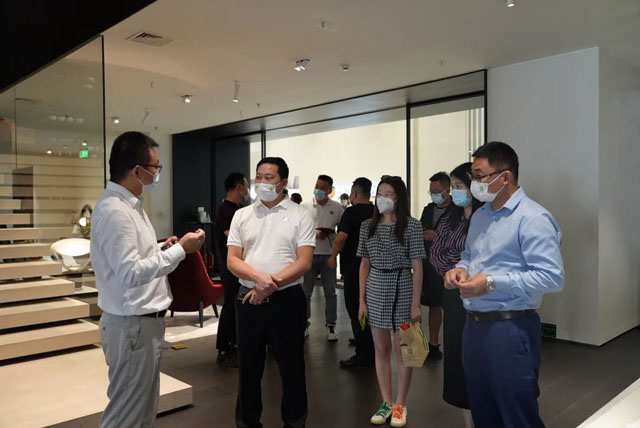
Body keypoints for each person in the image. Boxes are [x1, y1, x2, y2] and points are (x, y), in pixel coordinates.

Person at [445, 142, 564, 428]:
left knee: (517, 414)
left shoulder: (533, 218)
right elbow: (469, 254)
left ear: (505, 177)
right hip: (473, 326)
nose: (475, 184)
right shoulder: (481, 216)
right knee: (482, 410)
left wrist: (489, 283)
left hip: (510, 328)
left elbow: (551, 276)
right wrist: (460, 269)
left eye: (479, 176)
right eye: (473, 177)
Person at [91, 131, 205, 428]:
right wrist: (180, 250)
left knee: (141, 411)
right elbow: (130, 273)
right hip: (132, 324)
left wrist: (163, 248)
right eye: (155, 167)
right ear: (137, 170)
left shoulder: (129, 206)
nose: (157, 173)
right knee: (126, 415)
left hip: (139, 323)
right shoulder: (116, 211)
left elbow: (134, 258)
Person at [227, 157, 315, 428]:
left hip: (287, 300)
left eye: (269, 177)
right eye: (259, 177)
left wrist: (268, 285)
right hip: (248, 298)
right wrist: (258, 280)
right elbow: (233, 260)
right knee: (248, 369)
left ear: (283, 182)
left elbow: (304, 261)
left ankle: (295, 422)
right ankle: (247, 423)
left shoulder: (300, 214)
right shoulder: (242, 215)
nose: (262, 182)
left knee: (292, 367)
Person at [357, 175, 425, 428]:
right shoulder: (367, 225)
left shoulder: (412, 226)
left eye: (389, 194)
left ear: (399, 198)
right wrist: (362, 300)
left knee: (404, 350)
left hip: (403, 286)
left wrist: (415, 303)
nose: (383, 198)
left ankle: (400, 404)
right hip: (376, 287)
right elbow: (364, 264)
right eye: (380, 193)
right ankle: (386, 401)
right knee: (381, 349)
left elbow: (418, 267)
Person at [429, 162, 482, 428]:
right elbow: (436, 252)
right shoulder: (450, 217)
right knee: (457, 357)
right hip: (452, 294)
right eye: (454, 186)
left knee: (479, 359)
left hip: (480, 296)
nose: (455, 192)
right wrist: (456, 270)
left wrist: (462, 267)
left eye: (460, 186)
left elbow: (481, 257)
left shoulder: (486, 218)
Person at [328, 177, 375, 368]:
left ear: (354, 193)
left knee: (356, 309)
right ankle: (368, 344)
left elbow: (340, 238)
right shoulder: (376, 212)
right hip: (374, 270)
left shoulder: (351, 212)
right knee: (370, 310)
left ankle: (363, 354)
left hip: (354, 270)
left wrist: (333, 257)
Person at [301, 174, 344, 341]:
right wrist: (315, 234)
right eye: (317, 186)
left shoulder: (337, 208)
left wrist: (331, 235)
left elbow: (343, 231)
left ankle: (331, 325)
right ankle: (304, 324)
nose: (318, 189)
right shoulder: (305, 207)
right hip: (308, 255)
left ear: (329, 190)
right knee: (306, 293)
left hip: (329, 255)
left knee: (330, 293)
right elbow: (299, 230)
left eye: (322, 187)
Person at [215, 172, 250, 368]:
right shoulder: (226, 211)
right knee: (230, 306)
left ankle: (235, 345)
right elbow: (235, 240)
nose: (248, 190)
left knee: (237, 306)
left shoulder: (238, 210)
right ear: (239, 187)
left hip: (240, 266)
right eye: (246, 185)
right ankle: (224, 348)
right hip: (231, 267)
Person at [418, 171, 452, 360]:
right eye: (431, 192)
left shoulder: (457, 210)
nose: (434, 195)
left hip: (450, 266)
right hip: (428, 264)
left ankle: (451, 344)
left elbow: (460, 237)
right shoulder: (428, 209)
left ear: (448, 190)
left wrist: (437, 236)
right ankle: (431, 344)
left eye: (437, 191)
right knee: (433, 304)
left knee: (451, 307)